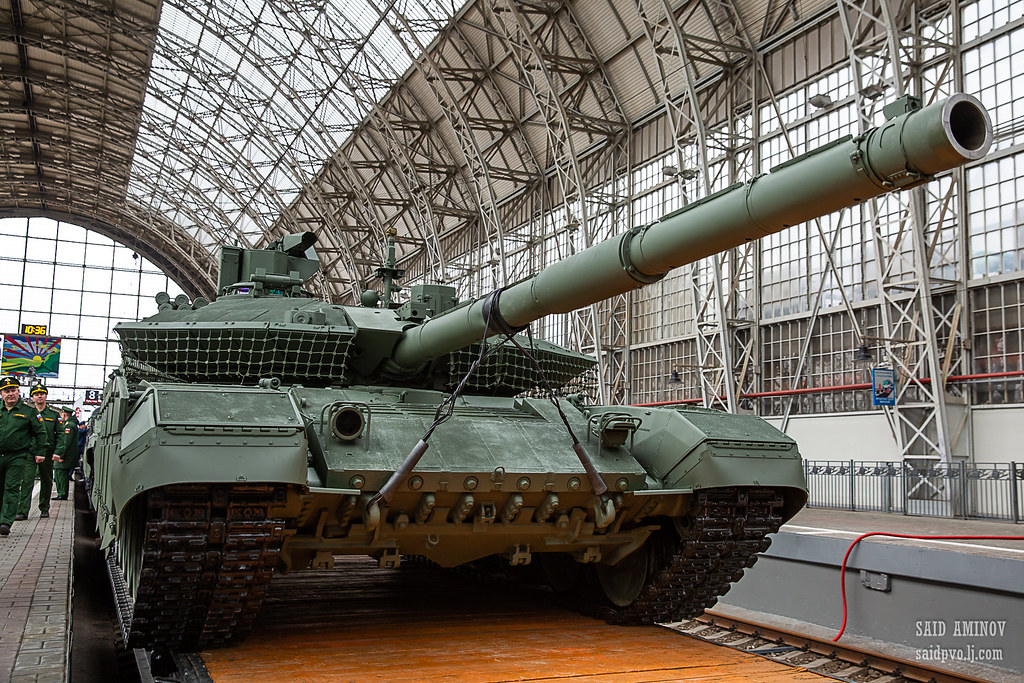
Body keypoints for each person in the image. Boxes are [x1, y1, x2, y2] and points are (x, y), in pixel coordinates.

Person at [0, 376, 45, 536]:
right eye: (6, 391)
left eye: (13, 390)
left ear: (19, 391)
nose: (10, 394)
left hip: (17, 457)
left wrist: (40, 452)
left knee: (11, 488)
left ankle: (5, 522)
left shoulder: (29, 411)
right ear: (1, 394)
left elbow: (40, 433)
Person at [15, 383, 65, 520]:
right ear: (32, 397)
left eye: (42, 394)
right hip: (30, 452)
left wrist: (58, 451)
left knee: (46, 480)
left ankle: (44, 508)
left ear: (45, 396)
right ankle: (22, 511)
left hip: (47, 452)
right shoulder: (27, 413)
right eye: (36, 394)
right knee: (26, 480)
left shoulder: (54, 415)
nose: (39, 396)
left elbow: (61, 435)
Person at [52, 407, 79, 500]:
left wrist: (61, 455)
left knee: (61, 475)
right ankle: (61, 493)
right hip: (67, 455)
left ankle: (62, 494)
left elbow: (66, 442)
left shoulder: (69, 426)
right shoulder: (71, 424)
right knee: (59, 474)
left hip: (65, 456)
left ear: (64, 414)